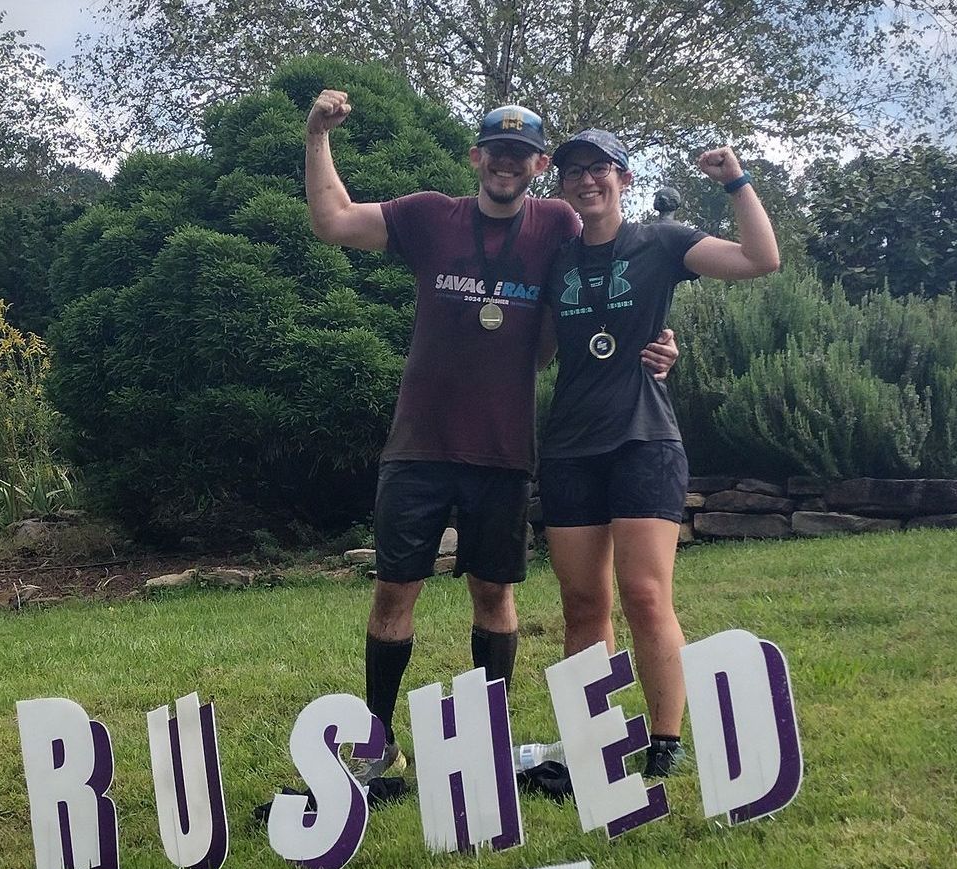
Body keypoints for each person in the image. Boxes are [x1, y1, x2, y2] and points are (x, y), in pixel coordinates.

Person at [304, 91, 677, 782]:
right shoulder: (427, 215)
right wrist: (317, 134)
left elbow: (617, 278)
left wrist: (655, 342)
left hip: (504, 448)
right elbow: (332, 221)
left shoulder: (561, 222)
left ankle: (491, 745)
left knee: (494, 596)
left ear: (538, 164)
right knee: (393, 592)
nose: (506, 163)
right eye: (495, 151)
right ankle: (377, 744)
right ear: (476, 156)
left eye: (521, 154)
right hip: (418, 443)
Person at [539, 129, 780, 777]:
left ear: (625, 178)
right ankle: (592, 747)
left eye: (600, 168)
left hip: (644, 440)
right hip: (568, 447)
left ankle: (665, 743)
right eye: (573, 172)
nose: (586, 179)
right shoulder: (555, 260)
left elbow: (761, 260)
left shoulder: (661, 242)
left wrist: (736, 180)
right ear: (561, 186)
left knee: (645, 594)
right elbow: (532, 349)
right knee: (583, 605)